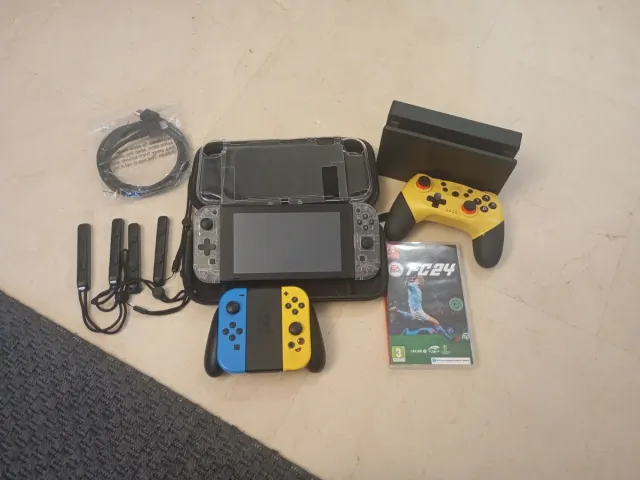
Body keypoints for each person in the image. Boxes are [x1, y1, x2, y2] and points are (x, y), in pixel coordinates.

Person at [404, 276, 451, 340]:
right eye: (422, 280)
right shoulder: (413, 285)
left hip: (418, 310)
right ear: (419, 279)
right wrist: (407, 280)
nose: (423, 281)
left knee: (434, 322)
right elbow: (407, 285)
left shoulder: (417, 287)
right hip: (417, 311)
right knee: (435, 322)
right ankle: (449, 338)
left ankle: (448, 337)